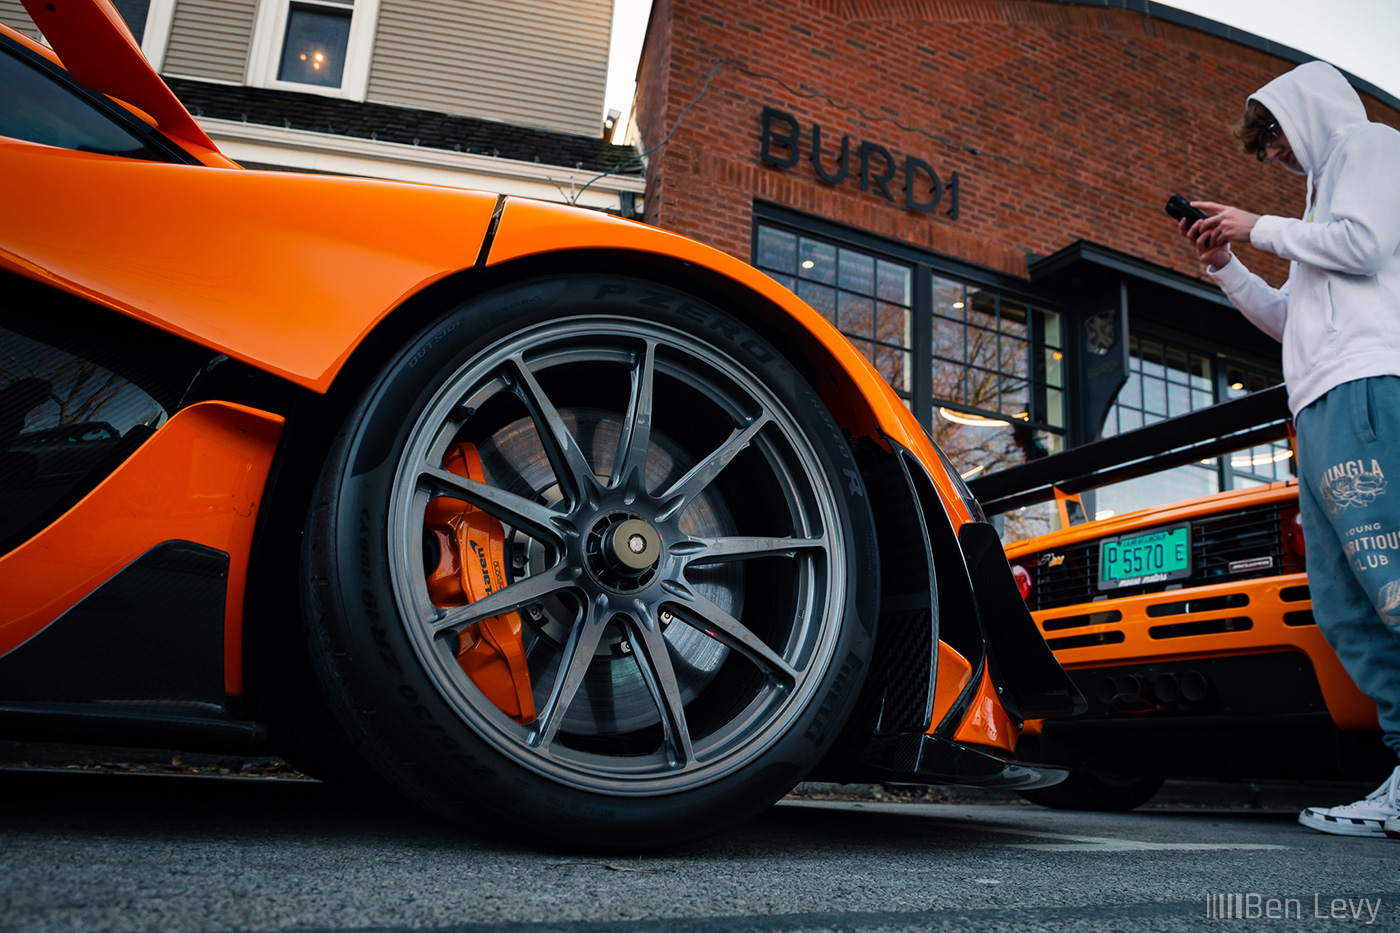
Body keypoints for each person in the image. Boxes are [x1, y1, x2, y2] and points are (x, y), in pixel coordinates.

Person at [1179, 60, 1400, 839]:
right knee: (1346, 601)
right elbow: (1287, 320)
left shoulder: (1371, 148)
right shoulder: (1315, 212)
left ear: (1302, 112)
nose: (1271, 154)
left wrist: (1255, 226)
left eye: (1272, 135)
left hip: (1369, 385)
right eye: (1263, 144)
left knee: (1392, 580)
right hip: (1319, 402)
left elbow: (1367, 246)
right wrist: (1224, 264)